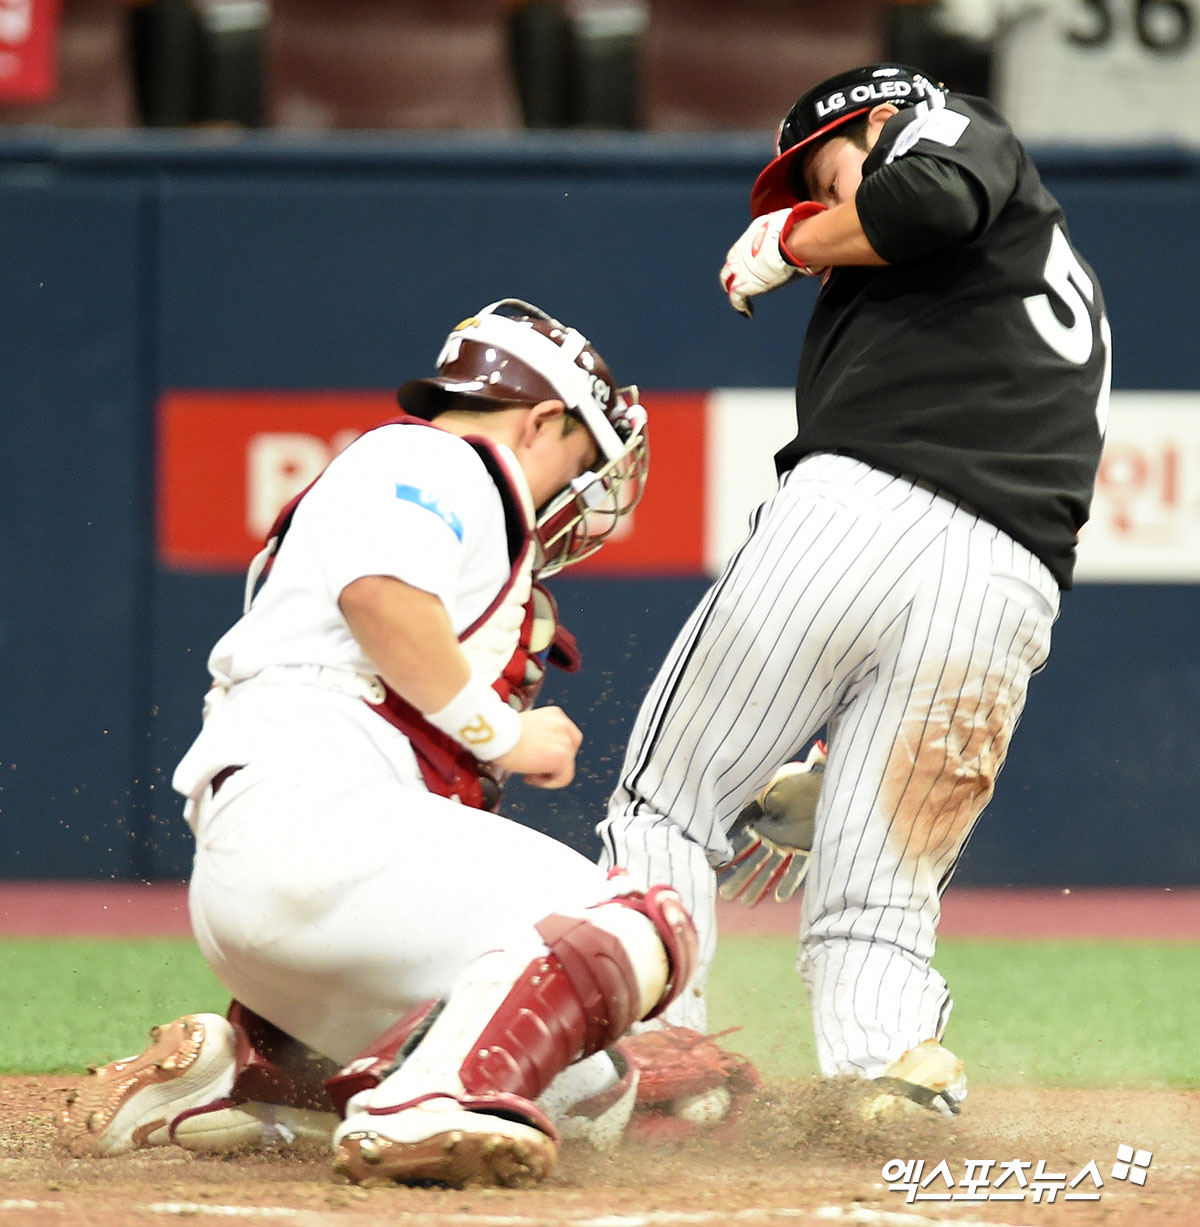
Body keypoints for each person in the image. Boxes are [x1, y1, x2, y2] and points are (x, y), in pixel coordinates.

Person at [60, 299, 698, 1188]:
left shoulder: (422, 476)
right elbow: (382, 597)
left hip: (294, 891)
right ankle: (421, 1104)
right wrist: (505, 735)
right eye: (582, 458)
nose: (577, 490)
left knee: (589, 1091)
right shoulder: (438, 455)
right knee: (636, 918)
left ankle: (247, 1080)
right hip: (305, 830)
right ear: (541, 419)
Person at [604, 63, 1110, 1119]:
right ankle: (888, 1079)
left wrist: (794, 241)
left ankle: (664, 1062)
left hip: (862, 504)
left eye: (819, 177)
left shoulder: (945, 126)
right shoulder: (1036, 270)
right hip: (1008, 583)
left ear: (878, 120)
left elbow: (925, 199)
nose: (812, 206)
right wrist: (854, 749)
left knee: (667, 804)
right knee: (879, 896)